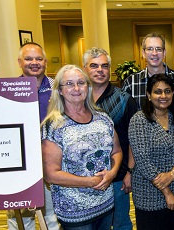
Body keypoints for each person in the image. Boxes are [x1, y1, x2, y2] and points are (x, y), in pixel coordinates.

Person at [41, 65, 122, 229]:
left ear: (88, 87)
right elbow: (50, 174)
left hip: (105, 204)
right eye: (69, 84)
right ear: (60, 91)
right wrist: (89, 182)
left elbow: (117, 151)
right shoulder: (53, 126)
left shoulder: (103, 118)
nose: (76, 88)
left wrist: (112, 173)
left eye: (81, 83)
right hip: (75, 213)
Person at [129, 74, 174, 230]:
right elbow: (143, 161)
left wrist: (172, 174)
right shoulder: (139, 120)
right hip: (149, 194)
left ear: (173, 93)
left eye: (168, 91)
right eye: (157, 92)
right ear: (149, 95)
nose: (163, 96)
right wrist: (167, 192)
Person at [82, 47, 137, 230]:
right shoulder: (77, 98)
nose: (100, 70)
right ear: (85, 68)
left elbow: (133, 139)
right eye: (94, 66)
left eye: (104, 66)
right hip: (83, 178)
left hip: (117, 176)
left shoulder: (124, 99)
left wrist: (130, 172)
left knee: (121, 223)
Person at [9, 42, 60, 230]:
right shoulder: (9, 89)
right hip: (20, 161)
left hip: (51, 159)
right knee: (21, 215)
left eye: (39, 58)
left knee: (51, 213)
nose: (34, 62)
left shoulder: (57, 88)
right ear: (20, 62)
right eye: (29, 59)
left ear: (45, 62)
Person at [122, 32, 174, 108]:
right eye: (150, 49)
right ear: (143, 53)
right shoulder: (130, 83)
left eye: (158, 49)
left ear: (164, 53)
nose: (154, 53)